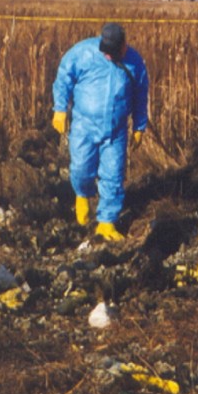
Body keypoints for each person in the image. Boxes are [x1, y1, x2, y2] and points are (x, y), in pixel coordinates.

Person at [52, 22, 149, 242]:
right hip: (84, 126)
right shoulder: (82, 53)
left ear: (124, 44)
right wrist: (60, 109)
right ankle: (83, 195)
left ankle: (107, 222)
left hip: (116, 130)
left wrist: (139, 126)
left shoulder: (134, 61)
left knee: (113, 174)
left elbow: (141, 93)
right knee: (80, 167)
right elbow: (64, 77)